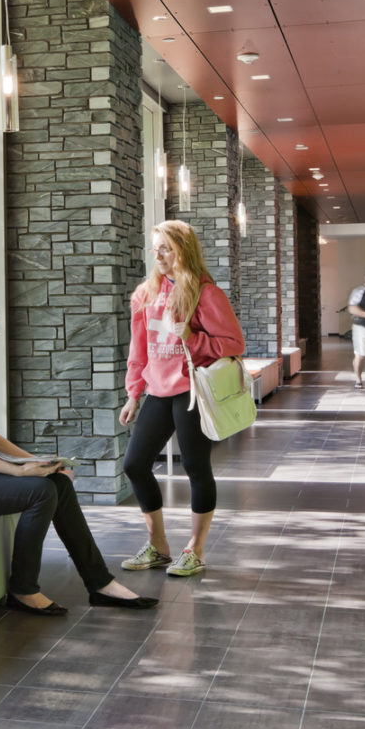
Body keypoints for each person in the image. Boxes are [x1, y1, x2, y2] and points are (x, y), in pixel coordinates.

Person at [0, 287, 156, 616]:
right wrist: (16, 470)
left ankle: (100, 583)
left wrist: (35, 461)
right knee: (40, 492)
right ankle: (23, 589)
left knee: (59, 483)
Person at [118, 220, 245, 579]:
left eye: (166, 248)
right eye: (155, 248)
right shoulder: (144, 294)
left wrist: (193, 337)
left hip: (192, 393)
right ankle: (158, 545)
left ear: (183, 251)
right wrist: (133, 394)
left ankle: (196, 549)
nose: (158, 255)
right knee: (135, 464)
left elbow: (234, 344)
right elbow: (138, 350)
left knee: (196, 468)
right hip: (158, 391)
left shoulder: (206, 294)